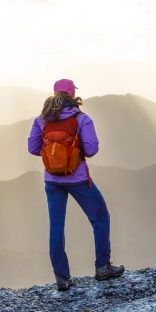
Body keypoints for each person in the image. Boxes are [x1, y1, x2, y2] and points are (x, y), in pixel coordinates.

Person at [27, 78, 124, 291]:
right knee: (100, 218)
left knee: (56, 228)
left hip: (52, 180)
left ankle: (62, 278)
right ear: (72, 95)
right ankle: (103, 267)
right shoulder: (81, 119)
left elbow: (33, 148)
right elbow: (92, 149)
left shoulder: (41, 120)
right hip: (77, 178)